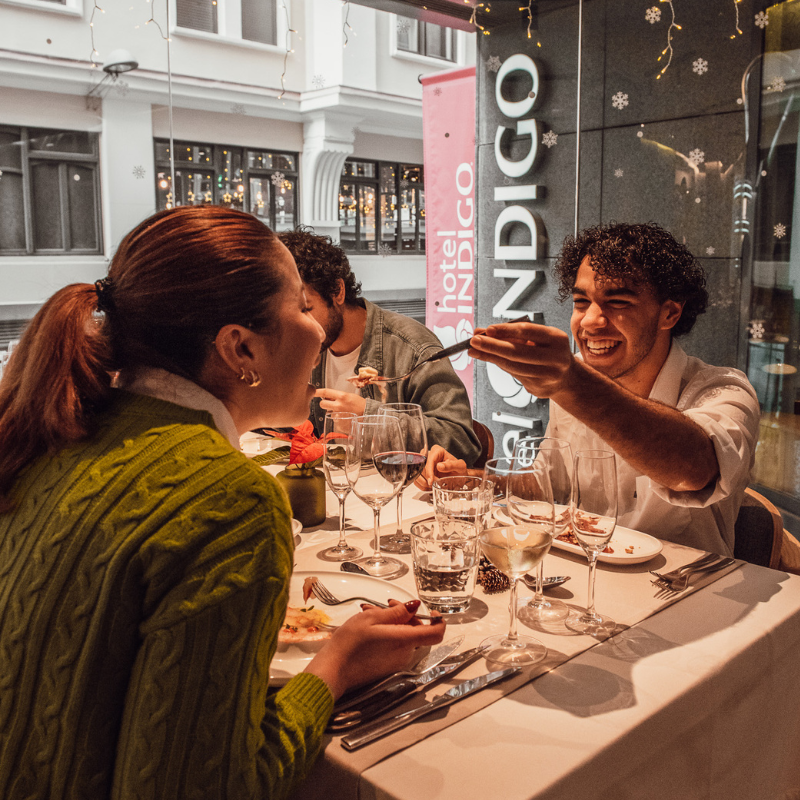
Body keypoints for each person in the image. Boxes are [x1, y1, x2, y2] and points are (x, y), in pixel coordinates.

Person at [0, 206, 445, 799]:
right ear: (239, 348)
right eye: (302, 310)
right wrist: (335, 665)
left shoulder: (56, 428)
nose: (318, 331)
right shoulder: (228, 500)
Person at [418, 222, 760, 556]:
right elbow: (545, 486)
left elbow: (692, 470)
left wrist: (571, 383)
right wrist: (472, 481)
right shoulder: (575, 380)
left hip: (690, 596)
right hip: (585, 584)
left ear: (669, 313)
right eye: (582, 302)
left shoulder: (724, 390)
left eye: (619, 302)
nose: (591, 321)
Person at [277, 227, 481, 465]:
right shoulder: (302, 346)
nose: (300, 327)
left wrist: (370, 417)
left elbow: (462, 442)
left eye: (306, 309)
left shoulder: (411, 347)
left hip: (396, 495)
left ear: (337, 291)